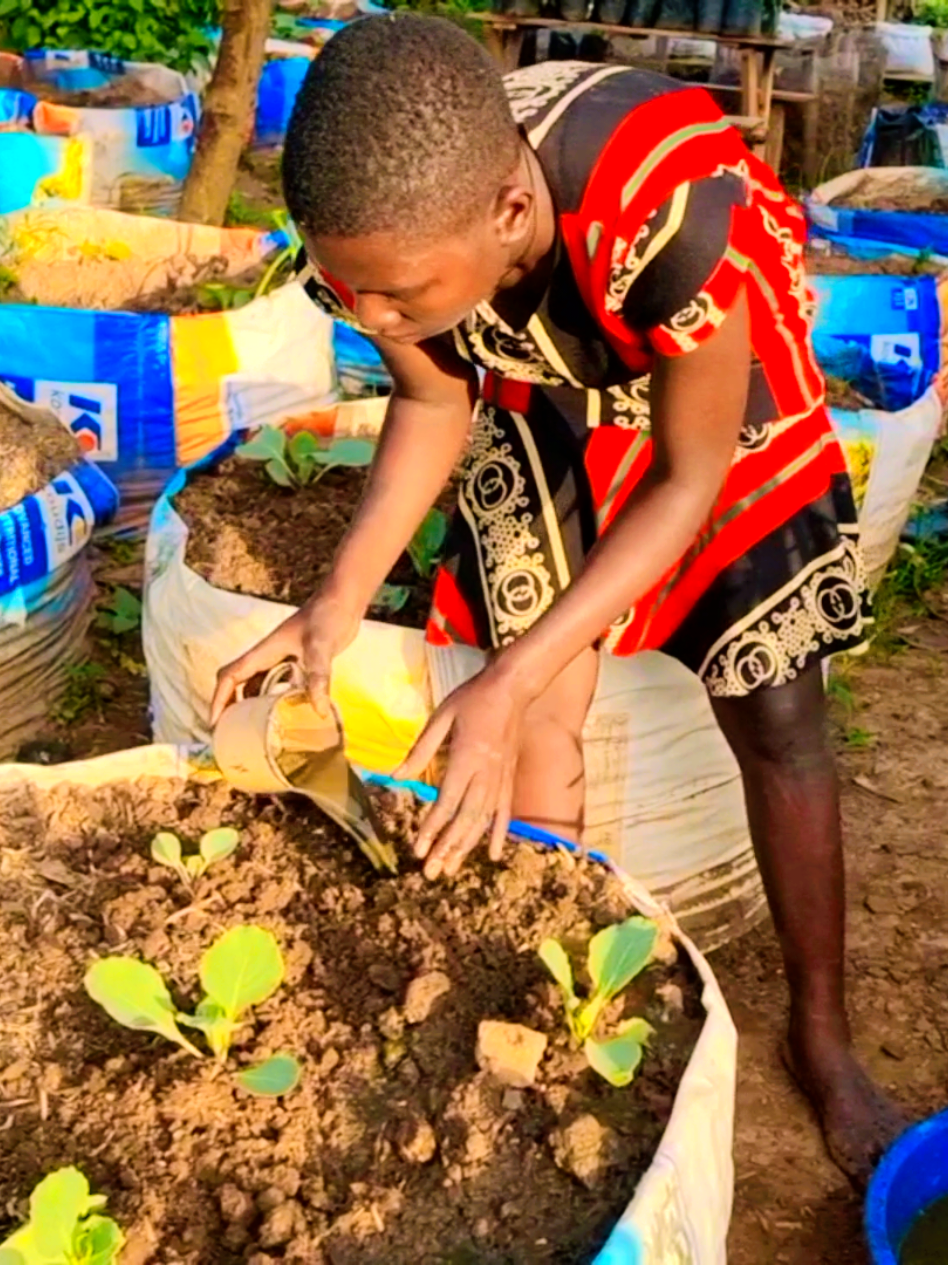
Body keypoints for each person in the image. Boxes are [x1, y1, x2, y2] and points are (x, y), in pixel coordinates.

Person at [211, 14, 907, 1183]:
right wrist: (332, 609)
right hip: (537, 388)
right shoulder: (407, 246)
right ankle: (552, 977)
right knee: (528, 711)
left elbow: (687, 481)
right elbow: (434, 405)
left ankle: (822, 1033)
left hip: (702, 393)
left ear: (511, 215)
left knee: (778, 711)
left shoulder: (670, 202)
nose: (372, 319)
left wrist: (509, 668)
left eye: (394, 295)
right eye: (353, 293)